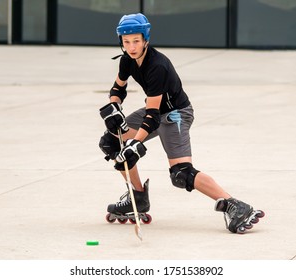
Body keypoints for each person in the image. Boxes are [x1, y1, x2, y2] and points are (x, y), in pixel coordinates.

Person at [99, 13, 264, 233]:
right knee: (111, 141)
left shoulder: (157, 66)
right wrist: (114, 108)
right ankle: (137, 198)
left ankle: (235, 206)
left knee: (181, 173)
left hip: (176, 114)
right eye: (126, 41)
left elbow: (153, 116)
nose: (131, 46)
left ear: (145, 39)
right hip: (154, 111)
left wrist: (135, 144)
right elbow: (118, 88)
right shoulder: (127, 60)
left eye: (136, 41)